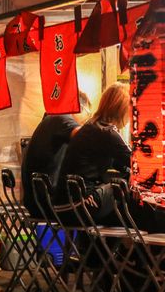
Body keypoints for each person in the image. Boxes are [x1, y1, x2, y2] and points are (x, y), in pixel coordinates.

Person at [54, 84, 132, 224]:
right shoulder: (107, 132)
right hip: (80, 205)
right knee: (129, 187)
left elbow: (119, 162)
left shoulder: (91, 126)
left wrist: (127, 170)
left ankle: (111, 244)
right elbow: (137, 163)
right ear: (122, 110)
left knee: (123, 186)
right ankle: (142, 242)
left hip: (62, 205)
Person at [21, 93, 90, 216]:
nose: (85, 121)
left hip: (36, 202)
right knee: (108, 197)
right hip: (47, 204)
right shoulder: (61, 117)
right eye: (87, 115)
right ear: (79, 107)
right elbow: (85, 137)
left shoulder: (50, 121)